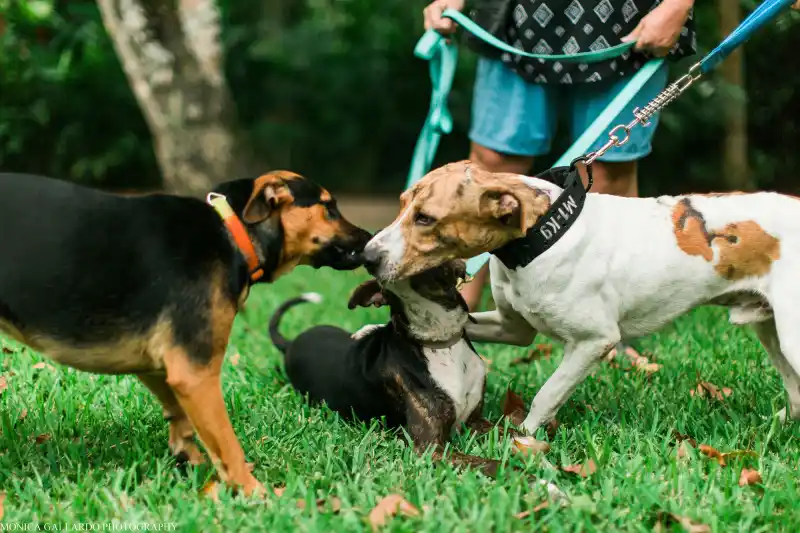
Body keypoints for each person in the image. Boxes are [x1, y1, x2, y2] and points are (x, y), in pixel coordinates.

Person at [423, 0, 696, 311]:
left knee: (608, 173)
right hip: (514, 16)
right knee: (493, 162)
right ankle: (452, 316)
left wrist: (677, 5)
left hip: (628, 17)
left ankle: (609, 324)